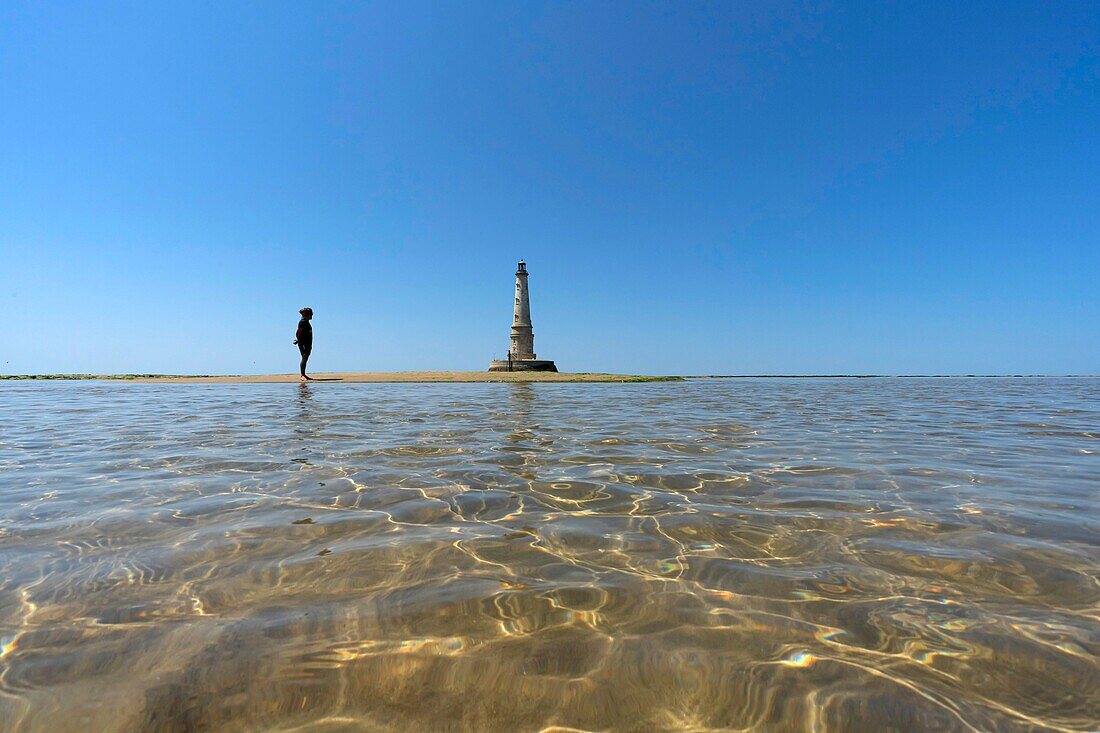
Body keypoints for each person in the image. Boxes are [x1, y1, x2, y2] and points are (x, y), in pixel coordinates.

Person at [294, 307, 314, 381]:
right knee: (304, 358)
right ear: (306, 315)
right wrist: (299, 340)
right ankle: (302, 375)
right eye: (311, 315)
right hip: (304, 343)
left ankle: (304, 374)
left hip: (308, 343)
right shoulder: (302, 322)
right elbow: (298, 332)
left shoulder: (306, 322)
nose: (312, 316)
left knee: (305, 358)